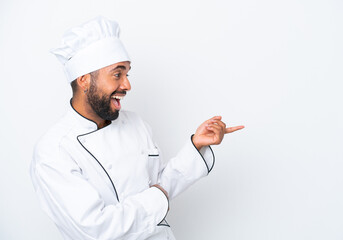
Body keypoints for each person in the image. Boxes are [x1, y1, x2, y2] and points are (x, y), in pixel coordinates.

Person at [30, 16, 244, 240]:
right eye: (117, 74)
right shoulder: (54, 151)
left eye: (127, 74)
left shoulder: (135, 123)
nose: (127, 85)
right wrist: (157, 198)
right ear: (84, 80)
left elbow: (159, 186)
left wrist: (196, 145)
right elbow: (95, 229)